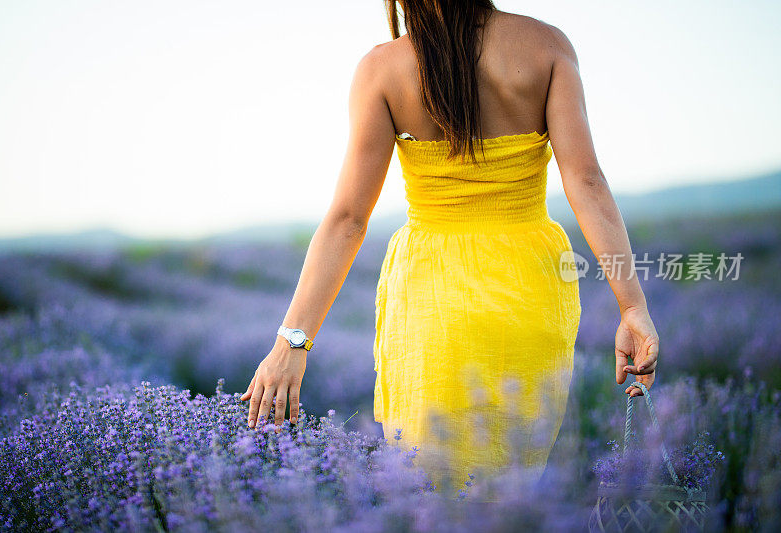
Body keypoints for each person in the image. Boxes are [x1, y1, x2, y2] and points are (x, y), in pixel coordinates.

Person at [241, 1, 659, 498]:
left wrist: (293, 341)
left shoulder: (383, 68)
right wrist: (632, 306)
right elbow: (587, 182)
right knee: (514, 485)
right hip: (529, 286)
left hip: (430, 297)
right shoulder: (547, 46)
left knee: (428, 483)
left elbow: (348, 220)